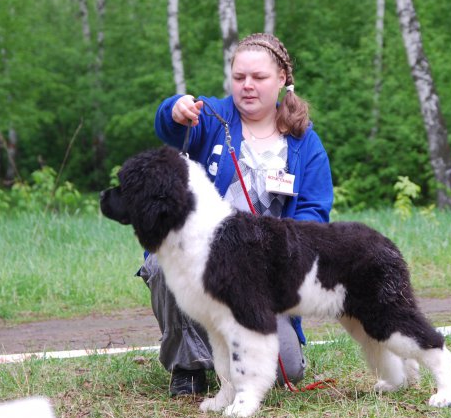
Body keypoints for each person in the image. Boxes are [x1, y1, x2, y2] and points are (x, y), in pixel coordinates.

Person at [138, 33, 334, 396]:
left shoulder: (305, 141)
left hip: (264, 271)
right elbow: (169, 124)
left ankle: (231, 354)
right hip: (201, 254)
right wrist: (175, 108)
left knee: (284, 369)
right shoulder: (211, 116)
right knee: (165, 264)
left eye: (258, 78)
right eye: (239, 76)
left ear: (282, 80)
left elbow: (313, 211)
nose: (247, 86)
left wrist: (277, 256)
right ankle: (189, 366)